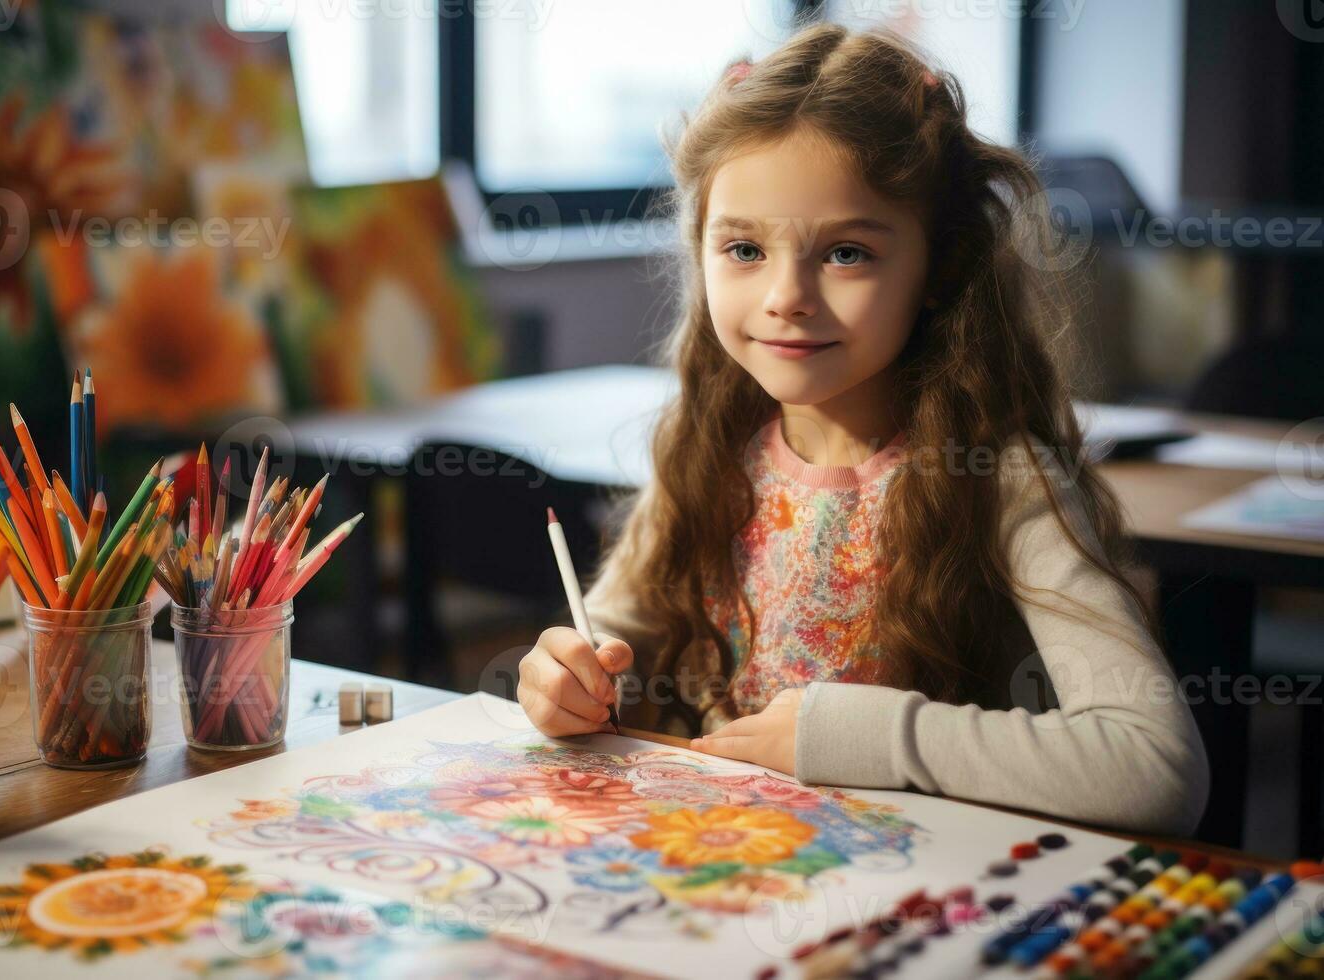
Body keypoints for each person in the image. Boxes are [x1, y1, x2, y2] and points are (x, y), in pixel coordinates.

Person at [516, 24, 1208, 836]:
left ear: (939, 268)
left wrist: (859, 736)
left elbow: (1155, 767)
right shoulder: (710, 447)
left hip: (926, 901)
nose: (787, 296)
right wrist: (564, 676)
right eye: (743, 247)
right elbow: (613, 640)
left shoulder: (999, 477)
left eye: (846, 253)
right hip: (724, 883)